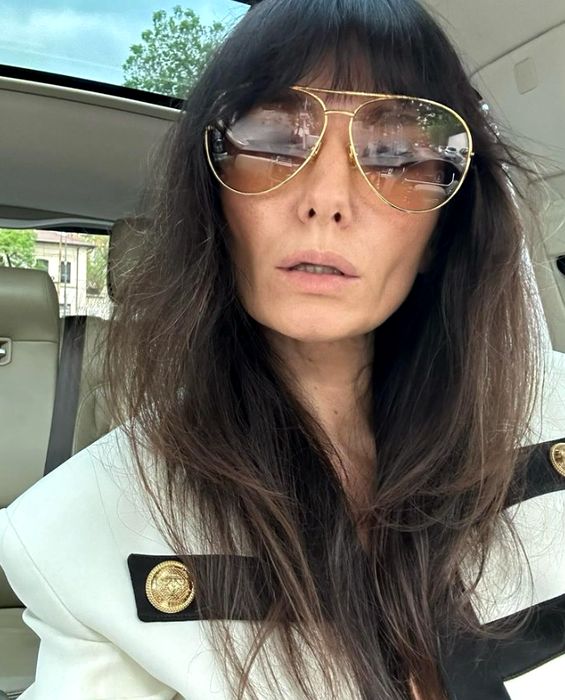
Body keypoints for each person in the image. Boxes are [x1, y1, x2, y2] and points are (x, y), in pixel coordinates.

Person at [1, 1, 564, 699]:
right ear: (212, 205)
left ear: (441, 231)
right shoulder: (76, 533)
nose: (325, 200)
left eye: (396, 154)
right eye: (272, 141)